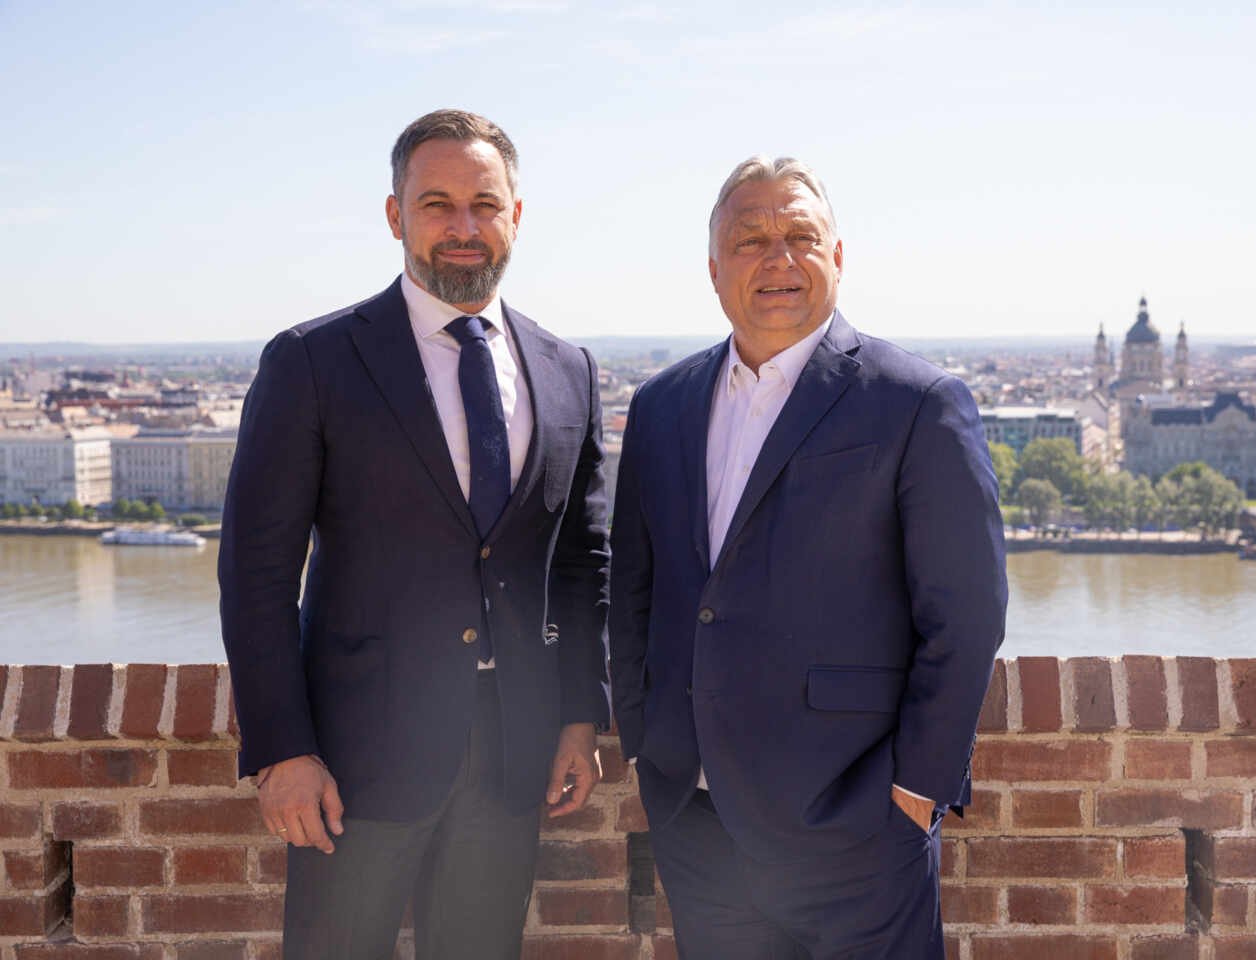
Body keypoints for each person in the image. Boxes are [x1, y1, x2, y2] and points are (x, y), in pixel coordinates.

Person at [219, 109, 610, 960]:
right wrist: (282, 749)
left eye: (484, 203)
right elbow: (256, 573)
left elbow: (579, 565)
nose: (463, 227)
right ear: (396, 216)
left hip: (514, 757)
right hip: (353, 764)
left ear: (516, 216)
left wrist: (580, 718)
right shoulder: (312, 362)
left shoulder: (567, 369)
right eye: (437, 203)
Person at [609, 156, 1007, 959]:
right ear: (715, 269)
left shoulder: (917, 402)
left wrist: (913, 793)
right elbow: (635, 588)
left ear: (838, 256)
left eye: (800, 235)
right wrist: (644, 743)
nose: (777, 258)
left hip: (856, 829)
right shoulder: (661, 405)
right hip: (698, 821)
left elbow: (965, 617)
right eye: (751, 239)